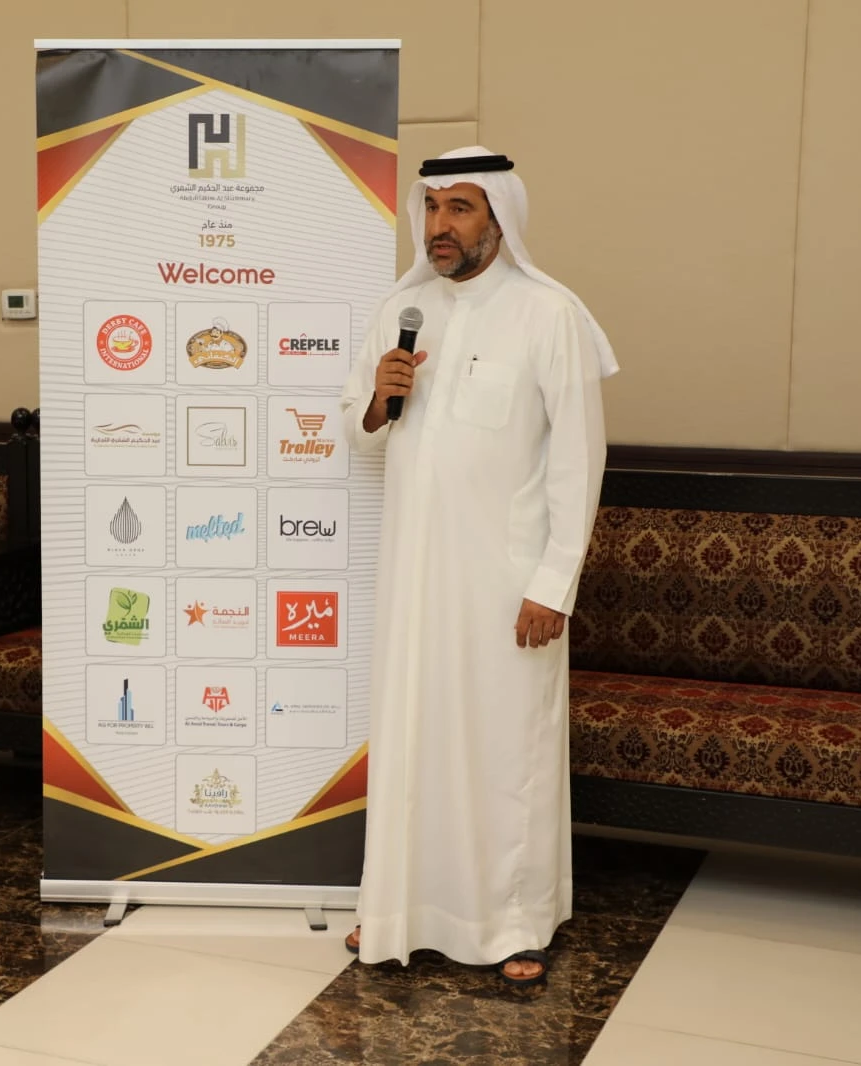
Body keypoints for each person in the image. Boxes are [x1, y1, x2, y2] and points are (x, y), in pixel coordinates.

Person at [339, 145, 618, 986]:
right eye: (432, 208)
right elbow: (358, 430)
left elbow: (579, 460)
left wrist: (553, 584)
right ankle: (400, 911)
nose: (441, 226)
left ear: (499, 216)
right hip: (415, 582)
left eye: (460, 208)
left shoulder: (548, 314)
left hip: (507, 585)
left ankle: (515, 924)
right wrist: (381, 397)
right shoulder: (404, 310)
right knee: (414, 746)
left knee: (507, 756)